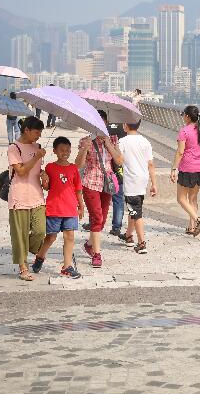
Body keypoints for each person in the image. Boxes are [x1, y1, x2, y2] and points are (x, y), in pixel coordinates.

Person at [75, 110, 123, 268]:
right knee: (96, 218)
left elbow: (119, 161)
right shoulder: (85, 140)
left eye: (103, 123)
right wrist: (84, 149)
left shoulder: (113, 139)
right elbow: (78, 165)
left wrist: (108, 143)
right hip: (91, 182)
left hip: (107, 183)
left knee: (101, 221)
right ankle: (96, 254)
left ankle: (89, 245)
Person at [31, 137, 84, 279]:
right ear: (54, 151)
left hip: (70, 208)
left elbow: (78, 189)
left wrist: (81, 206)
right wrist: (44, 179)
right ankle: (40, 257)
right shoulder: (50, 167)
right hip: (54, 208)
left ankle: (67, 266)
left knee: (70, 236)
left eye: (67, 150)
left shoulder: (73, 168)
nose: (65, 152)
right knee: (51, 237)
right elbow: (47, 187)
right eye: (61, 150)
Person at [8, 116, 48, 281]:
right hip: (19, 196)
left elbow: (37, 170)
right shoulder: (14, 148)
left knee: (40, 231)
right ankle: (23, 266)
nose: (39, 135)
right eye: (37, 132)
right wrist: (36, 157)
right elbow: (21, 171)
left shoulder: (37, 147)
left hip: (37, 195)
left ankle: (28, 250)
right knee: (20, 234)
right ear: (27, 130)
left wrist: (44, 174)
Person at [119, 120, 157, 253]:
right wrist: (154, 184)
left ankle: (141, 243)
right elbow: (150, 164)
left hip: (131, 180)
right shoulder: (145, 141)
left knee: (136, 213)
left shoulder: (122, 141)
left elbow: (119, 160)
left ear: (125, 125)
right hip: (143, 179)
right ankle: (128, 236)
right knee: (134, 208)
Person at [170, 105, 200, 236]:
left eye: (183, 115)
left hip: (187, 168)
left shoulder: (184, 131)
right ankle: (191, 227)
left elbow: (180, 152)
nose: (182, 117)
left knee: (181, 198)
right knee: (193, 199)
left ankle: (197, 220)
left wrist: (174, 168)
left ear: (187, 116)